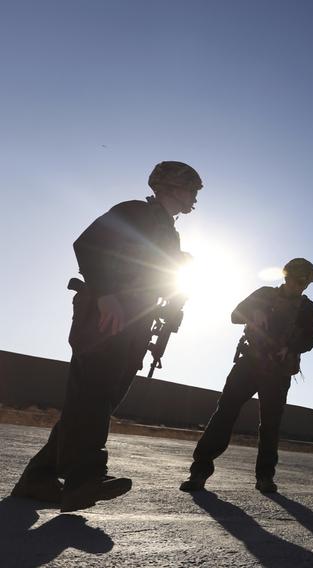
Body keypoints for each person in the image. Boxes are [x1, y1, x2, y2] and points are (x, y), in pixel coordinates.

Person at [11, 161, 202, 512]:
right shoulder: (134, 212)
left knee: (95, 401)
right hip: (107, 313)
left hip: (135, 321)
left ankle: (37, 479)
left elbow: (164, 279)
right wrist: (105, 294)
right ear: (171, 187)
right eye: (192, 189)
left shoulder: (168, 232)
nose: (195, 197)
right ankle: (87, 477)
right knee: (95, 395)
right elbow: (89, 244)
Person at [179, 258, 313, 494]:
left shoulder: (307, 307)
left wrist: (291, 347)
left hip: (278, 369)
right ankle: (199, 472)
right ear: (287, 277)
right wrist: (254, 312)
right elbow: (235, 315)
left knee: (270, 425)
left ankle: (265, 477)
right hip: (250, 362)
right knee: (225, 412)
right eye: (298, 281)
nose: (301, 287)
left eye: (306, 284)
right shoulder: (264, 294)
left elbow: (311, 339)